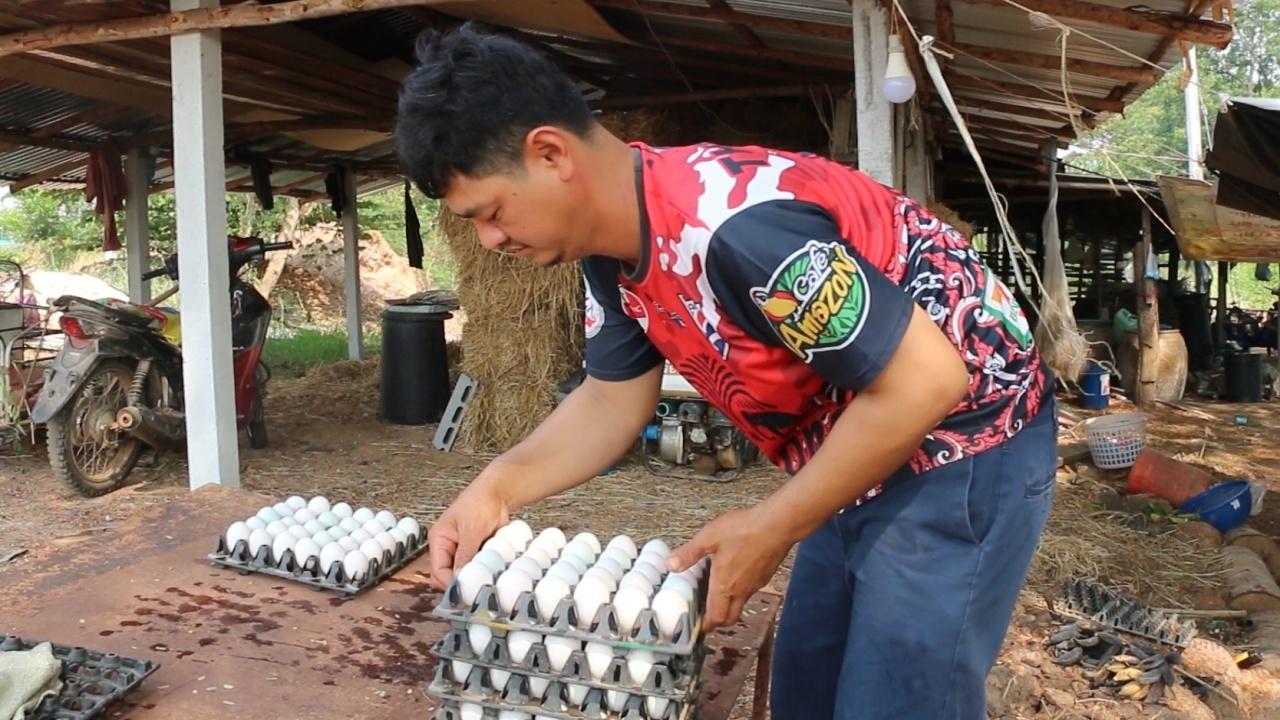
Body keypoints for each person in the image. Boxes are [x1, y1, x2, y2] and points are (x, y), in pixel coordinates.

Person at [396, 24, 1058, 720]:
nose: (489, 241)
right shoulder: (609, 252)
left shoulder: (737, 231)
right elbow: (611, 401)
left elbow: (926, 380)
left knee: (895, 700)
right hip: (857, 444)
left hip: (966, 448)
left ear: (551, 153)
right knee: (808, 690)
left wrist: (771, 525)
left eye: (492, 212)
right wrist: (497, 487)